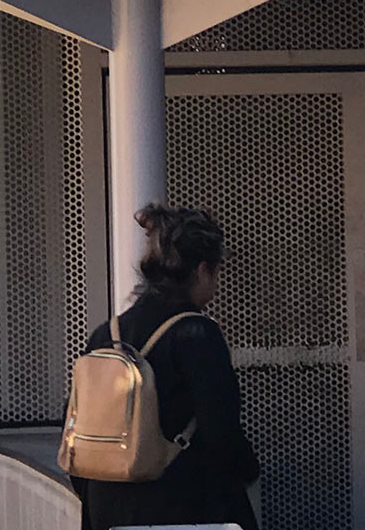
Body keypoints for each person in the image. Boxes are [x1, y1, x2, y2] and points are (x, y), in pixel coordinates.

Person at [72, 203, 261, 530]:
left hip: (106, 508)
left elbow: (74, 426)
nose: (215, 285)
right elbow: (221, 432)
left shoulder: (107, 333)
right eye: (217, 272)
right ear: (202, 270)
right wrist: (249, 470)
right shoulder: (196, 333)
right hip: (177, 508)